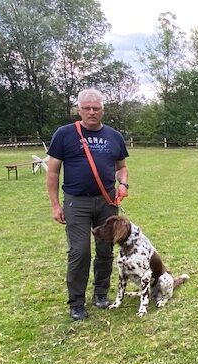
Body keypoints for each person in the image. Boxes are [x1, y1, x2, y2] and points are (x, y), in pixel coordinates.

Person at [46, 88, 129, 321]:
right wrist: (55, 205)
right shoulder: (64, 134)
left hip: (107, 201)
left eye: (96, 108)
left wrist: (123, 185)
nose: (92, 112)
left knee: (105, 250)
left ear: (103, 109)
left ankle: (101, 294)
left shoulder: (114, 136)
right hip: (77, 202)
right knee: (79, 251)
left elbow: (121, 167)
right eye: (87, 108)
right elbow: (53, 172)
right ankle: (77, 302)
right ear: (79, 110)